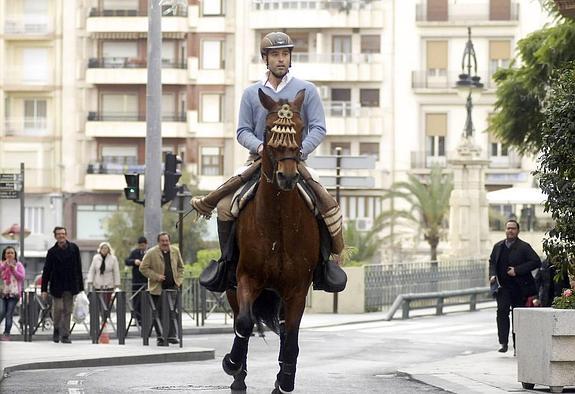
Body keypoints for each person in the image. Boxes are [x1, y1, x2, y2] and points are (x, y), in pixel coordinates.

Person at [191, 31, 344, 292]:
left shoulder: (307, 90)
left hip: (295, 160)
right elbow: (242, 131)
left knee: (325, 202)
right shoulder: (252, 93)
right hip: (259, 159)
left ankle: (324, 266)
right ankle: (227, 264)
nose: (281, 59)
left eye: (285, 54)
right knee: (226, 205)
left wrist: (299, 151)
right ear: (266, 59)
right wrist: (261, 148)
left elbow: (318, 128)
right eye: (275, 55)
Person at [489, 219, 541, 353]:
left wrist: (517, 270)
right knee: (501, 313)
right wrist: (493, 275)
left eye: (513, 228)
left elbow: (536, 262)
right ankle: (503, 343)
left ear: (517, 231)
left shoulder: (524, 247)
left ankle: (518, 345)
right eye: (508, 228)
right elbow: (492, 262)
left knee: (518, 316)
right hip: (503, 287)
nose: (510, 230)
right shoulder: (498, 246)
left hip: (520, 288)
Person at [41, 226, 84, 344]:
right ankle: (56, 329)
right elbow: (46, 271)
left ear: (66, 235)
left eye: (63, 233)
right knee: (58, 309)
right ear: (55, 236)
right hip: (57, 286)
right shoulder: (51, 252)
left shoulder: (74, 248)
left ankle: (65, 335)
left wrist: (81, 287)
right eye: (59, 234)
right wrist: (44, 289)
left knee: (68, 310)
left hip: (70, 285)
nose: (61, 236)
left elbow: (78, 268)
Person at [139, 232, 184, 346]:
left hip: (172, 288)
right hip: (157, 289)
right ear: (158, 242)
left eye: (167, 240)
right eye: (162, 241)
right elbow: (143, 268)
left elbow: (181, 267)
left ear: (169, 241)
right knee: (158, 314)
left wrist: (178, 281)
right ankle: (160, 337)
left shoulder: (175, 251)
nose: (165, 243)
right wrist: (156, 276)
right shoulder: (151, 252)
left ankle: (172, 336)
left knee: (173, 312)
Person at [0, 246, 25, 340]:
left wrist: (13, 269)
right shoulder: (1, 264)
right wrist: (4, 266)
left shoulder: (19, 265)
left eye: (11, 253)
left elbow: (21, 278)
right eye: (8, 253)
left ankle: (6, 334)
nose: (10, 254)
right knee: (1, 312)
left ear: (14, 255)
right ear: (4, 254)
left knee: (9, 314)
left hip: (14, 294)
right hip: (2, 293)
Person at [86, 242, 120, 306]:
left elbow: (116, 272)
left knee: (107, 302)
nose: (104, 250)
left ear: (108, 249)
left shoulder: (113, 258)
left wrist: (117, 284)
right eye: (102, 248)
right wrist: (90, 280)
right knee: (99, 302)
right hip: (98, 284)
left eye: (106, 248)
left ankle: (106, 314)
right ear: (100, 249)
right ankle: (101, 314)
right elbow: (92, 270)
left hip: (109, 284)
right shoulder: (96, 258)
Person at [125, 236, 148, 326]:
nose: (141, 247)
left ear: (146, 244)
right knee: (136, 301)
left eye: (143, 245)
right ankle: (137, 320)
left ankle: (147, 319)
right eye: (140, 245)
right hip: (137, 281)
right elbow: (127, 261)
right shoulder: (135, 252)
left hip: (147, 281)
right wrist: (134, 261)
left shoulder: (150, 252)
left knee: (146, 301)